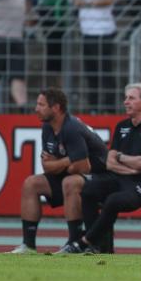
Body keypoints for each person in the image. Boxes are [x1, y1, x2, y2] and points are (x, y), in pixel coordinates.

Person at [10, 88, 109, 254]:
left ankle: (74, 241)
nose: (36, 109)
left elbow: (84, 167)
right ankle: (28, 245)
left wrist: (62, 164)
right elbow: (47, 166)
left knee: (69, 182)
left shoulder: (72, 128)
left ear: (55, 108)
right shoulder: (48, 128)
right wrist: (69, 162)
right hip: (72, 175)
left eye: (41, 105)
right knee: (31, 183)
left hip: (101, 178)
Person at [79, 83, 141, 254]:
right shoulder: (121, 126)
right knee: (89, 190)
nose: (126, 102)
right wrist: (130, 168)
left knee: (113, 200)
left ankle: (86, 241)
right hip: (121, 179)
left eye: (131, 98)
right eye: (126, 98)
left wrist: (121, 157)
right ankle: (99, 247)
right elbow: (109, 162)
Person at [71, 0, 118, 113]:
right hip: (89, 30)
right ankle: (94, 108)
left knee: (103, 72)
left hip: (101, 30)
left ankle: (108, 108)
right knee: (91, 73)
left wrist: (86, 3)